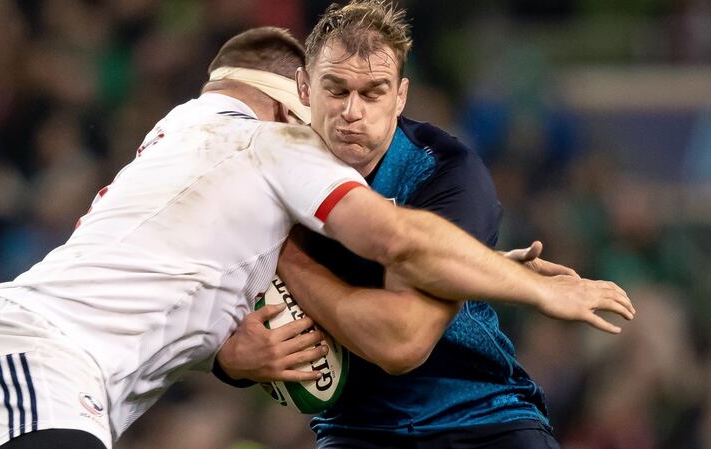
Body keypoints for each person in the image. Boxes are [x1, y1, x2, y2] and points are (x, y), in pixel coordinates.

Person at [0, 27, 632, 449]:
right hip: (36, 360)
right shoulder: (265, 142)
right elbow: (399, 241)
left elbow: (178, 288)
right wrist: (533, 289)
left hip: (32, 366)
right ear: (287, 102)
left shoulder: (183, 138)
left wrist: (228, 359)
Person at [214, 3, 630, 449]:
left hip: (482, 418)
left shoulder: (446, 172)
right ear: (304, 87)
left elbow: (402, 343)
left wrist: (285, 256)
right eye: (336, 89)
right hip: (354, 431)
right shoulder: (261, 170)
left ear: (401, 96)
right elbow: (183, 293)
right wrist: (228, 359)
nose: (352, 112)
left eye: (373, 92)